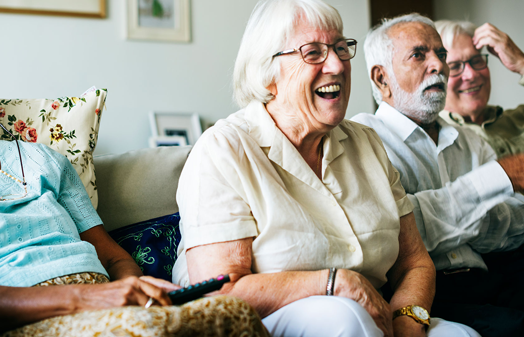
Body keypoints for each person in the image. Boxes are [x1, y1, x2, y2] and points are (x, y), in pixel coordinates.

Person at [172, 1, 478, 336]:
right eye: (313, 52)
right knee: (344, 318)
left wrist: (408, 316)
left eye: (340, 48)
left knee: (460, 334)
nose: (337, 64)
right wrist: (335, 283)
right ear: (268, 73)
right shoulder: (224, 150)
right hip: (269, 323)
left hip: (375, 315)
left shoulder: (368, 143)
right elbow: (218, 292)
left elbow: (415, 262)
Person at [0, 47, 268, 337]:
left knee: (234, 312)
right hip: (26, 318)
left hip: (107, 299)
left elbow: (114, 257)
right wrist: (87, 299)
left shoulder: (38, 159)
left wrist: (135, 291)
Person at [352, 13, 524, 337]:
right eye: (419, 54)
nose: (440, 66)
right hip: (425, 292)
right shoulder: (363, 138)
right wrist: (493, 182)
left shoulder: (471, 141)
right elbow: (398, 232)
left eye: (440, 54)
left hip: (490, 275)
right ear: (381, 78)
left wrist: (443, 216)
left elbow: (513, 223)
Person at [436, 20, 524, 159]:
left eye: (476, 60)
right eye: (454, 66)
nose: (471, 75)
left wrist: (521, 63)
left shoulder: (518, 120)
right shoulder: (434, 141)